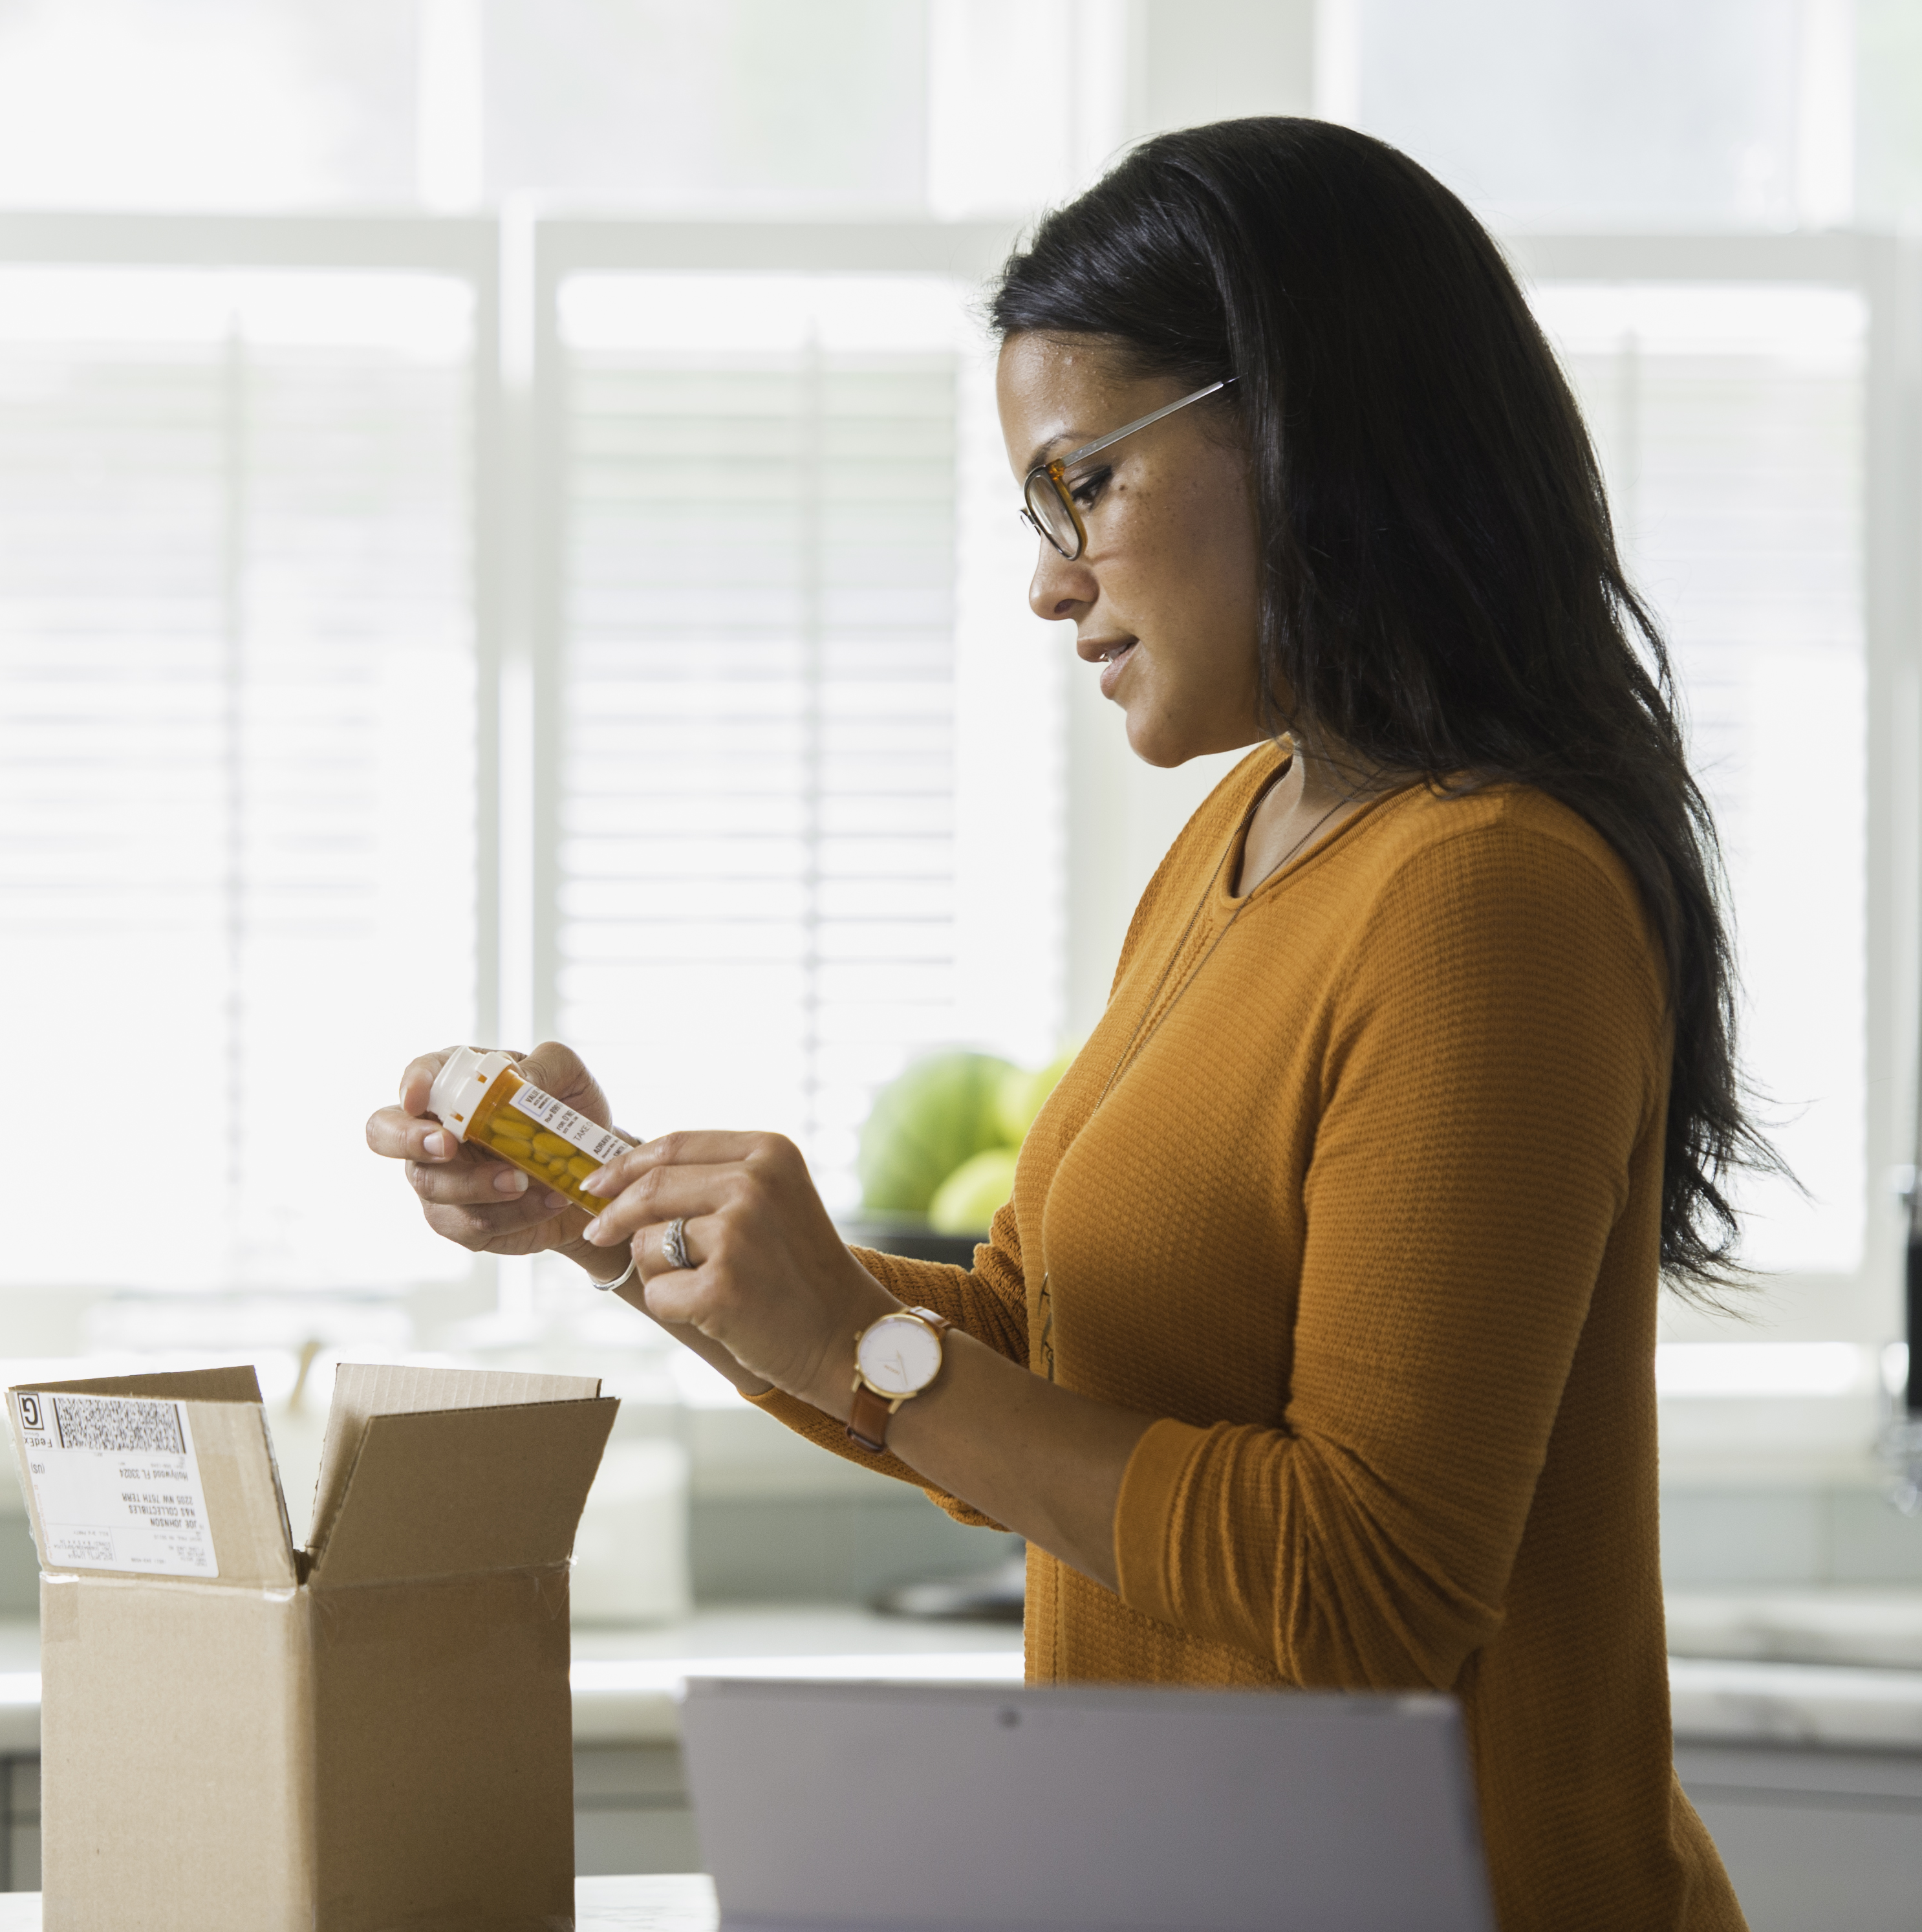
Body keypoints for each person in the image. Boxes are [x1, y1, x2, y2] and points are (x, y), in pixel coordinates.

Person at [365, 117, 1756, 1930]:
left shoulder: (1490, 895)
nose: (1048, 578)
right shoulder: (1239, 839)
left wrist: (870, 1345)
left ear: (1305, 424)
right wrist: (624, 1216)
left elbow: (1375, 1585)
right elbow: (1032, 1350)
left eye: (1082, 485)